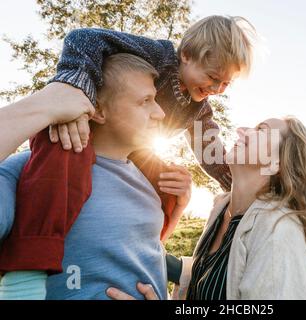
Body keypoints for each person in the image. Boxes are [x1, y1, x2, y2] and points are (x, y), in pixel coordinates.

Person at [0, 15, 256, 279]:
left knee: (168, 184)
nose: (218, 89)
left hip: (134, 153)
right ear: (187, 55)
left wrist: (240, 186)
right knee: (59, 169)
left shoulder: (199, 109)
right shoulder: (160, 56)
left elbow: (210, 151)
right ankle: (28, 264)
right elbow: (84, 38)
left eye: (226, 83)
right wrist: (78, 88)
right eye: (213, 77)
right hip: (85, 129)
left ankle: (140, 254)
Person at [0, 54, 191, 300]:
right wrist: (45, 107)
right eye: (146, 101)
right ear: (98, 110)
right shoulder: (31, 171)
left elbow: (143, 247)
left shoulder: (148, 180)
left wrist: (179, 206)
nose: (160, 113)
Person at [107, 117, 306, 300]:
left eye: (261, 130)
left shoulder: (278, 231)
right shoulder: (222, 210)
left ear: (276, 164)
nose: (241, 130)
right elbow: (221, 274)